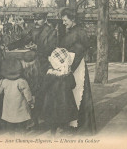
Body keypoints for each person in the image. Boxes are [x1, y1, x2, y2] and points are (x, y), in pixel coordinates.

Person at [7, 11, 58, 128]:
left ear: (45, 19)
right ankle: (35, 119)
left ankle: (44, 118)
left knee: (43, 92)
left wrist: (38, 47)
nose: (36, 21)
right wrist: (9, 46)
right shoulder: (33, 30)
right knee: (33, 91)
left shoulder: (52, 32)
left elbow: (52, 48)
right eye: (35, 19)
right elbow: (23, 40)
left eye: (39, 19)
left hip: (46, 64)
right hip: (34, 65)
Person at [59, 7, 96, 135]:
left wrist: (71, 64)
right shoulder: (70, 31)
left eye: (65, 20)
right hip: (69, 65)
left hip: (77, 65)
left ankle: (82, 127)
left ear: (72, 19)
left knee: (79, 94)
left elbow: (83, 48)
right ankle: (72, 124)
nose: (64, 23)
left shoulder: (79, 31)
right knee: (70, 94)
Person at [41, 48, 79, 136]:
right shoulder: (68, 74)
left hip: (52, 101)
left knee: (52, 118)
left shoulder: (50, 74)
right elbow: (73, 85)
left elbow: (44, 87)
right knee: (65, 117)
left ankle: (52, 134)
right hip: (65, 101)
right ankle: (64, 133)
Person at [0, 58, 34, 135]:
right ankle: (22, 135)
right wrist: (30, 101)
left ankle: (11, 136)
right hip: (20, 107)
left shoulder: (4, 81)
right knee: (21, 123)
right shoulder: (21, 81)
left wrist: (0, 82)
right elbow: (27, 94)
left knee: (10, 123)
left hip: (9, 108)